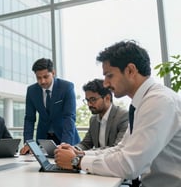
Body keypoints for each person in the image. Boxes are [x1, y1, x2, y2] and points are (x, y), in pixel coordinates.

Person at [55, 40, 181, 187]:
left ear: (130, 70)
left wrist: (76, 161)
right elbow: (121, 149)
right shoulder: (144, 102)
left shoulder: (159, 102)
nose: (105, 84)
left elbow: (130, 165)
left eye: (109, 75)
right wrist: (80, 155)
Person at [20, 58, 80, 155]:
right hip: (44, 139)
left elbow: (69, 117)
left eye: (45, 77)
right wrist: (28, 143)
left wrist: (65, 144)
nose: (42, 81)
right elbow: (29, 119)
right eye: (38, 78)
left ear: (53, 73)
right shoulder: (32, 91)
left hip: (65, 137)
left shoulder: (66, 87)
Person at [75, 79, 128, 151]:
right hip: (99, 160)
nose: (89, 104)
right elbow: (85, 144)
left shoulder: (123, 116)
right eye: (87, 100)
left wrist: (85, 153)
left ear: (107, 98)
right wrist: (73, 149)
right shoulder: (93, 120)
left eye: (93, 99)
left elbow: (117, 149)